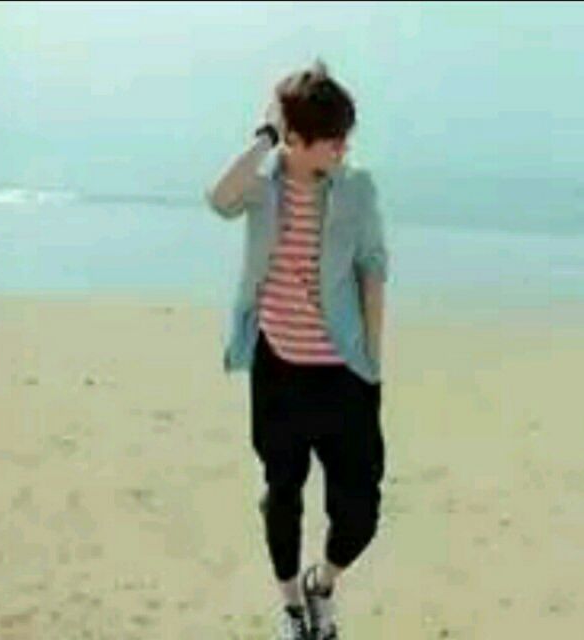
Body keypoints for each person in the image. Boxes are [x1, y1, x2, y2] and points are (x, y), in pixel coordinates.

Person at [204, 58, 389, 640]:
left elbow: (373, 267)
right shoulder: (262, 187)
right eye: (332, 139)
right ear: (298, 139)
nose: (343, 148)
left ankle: (322, 585)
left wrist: (372, 361)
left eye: (345, 137)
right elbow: (218, 199)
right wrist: (265, 135)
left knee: (359, 512)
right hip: (278, 372)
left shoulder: (356, 188)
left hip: (344, 374)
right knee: (282, 494)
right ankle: (291, 610)